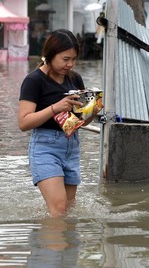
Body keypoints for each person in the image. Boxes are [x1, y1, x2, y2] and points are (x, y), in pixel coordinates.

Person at [18, 29, 98, 217]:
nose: (70, 64)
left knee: (68, 210)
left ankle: (55, 244)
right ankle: (52, 243)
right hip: (45, 147)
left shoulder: (75, 78)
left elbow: (80, 123)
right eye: (65, 59)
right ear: (50, 55)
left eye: (73, 59)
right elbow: (23, 122)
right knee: (59, 208)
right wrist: (55, 108)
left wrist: (92, 113)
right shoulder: (34, 81)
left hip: (71, 145)